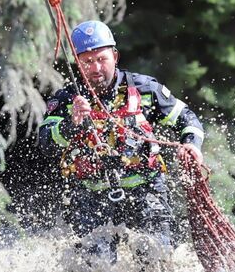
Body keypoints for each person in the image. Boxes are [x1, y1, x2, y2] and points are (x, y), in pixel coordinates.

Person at [38, 20, 204, 267]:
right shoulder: (67, 99)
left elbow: (187, 118)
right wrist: (71, 123)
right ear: (78, 64)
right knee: (95, 264)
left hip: (146, 190)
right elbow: (45, 141)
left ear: (115, 56)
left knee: (154, 260)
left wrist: (191, 144)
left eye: (101, 59)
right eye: (88, 61)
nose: (95, 68)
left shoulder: (145, 89)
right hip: (90, 195)